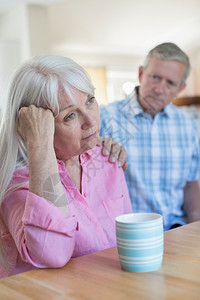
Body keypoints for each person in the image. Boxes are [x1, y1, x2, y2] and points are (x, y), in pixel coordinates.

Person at [0, 55, 132, 278]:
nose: (90, 122)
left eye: (90, 100)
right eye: (70, 115)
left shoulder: (106, 158)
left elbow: (126, 236)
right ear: (37, 126)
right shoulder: (16, 183)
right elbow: (52, 253)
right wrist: (39, 145)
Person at [100, 42, 200, 231]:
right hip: (126, 232)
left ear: (180, 89)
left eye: (170, 83)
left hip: (177, 229)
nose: (159, 89)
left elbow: (190, 183)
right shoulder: (104, 119)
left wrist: (195, 226)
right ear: (140, 74)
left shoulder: (187, 125)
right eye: (155, 77)